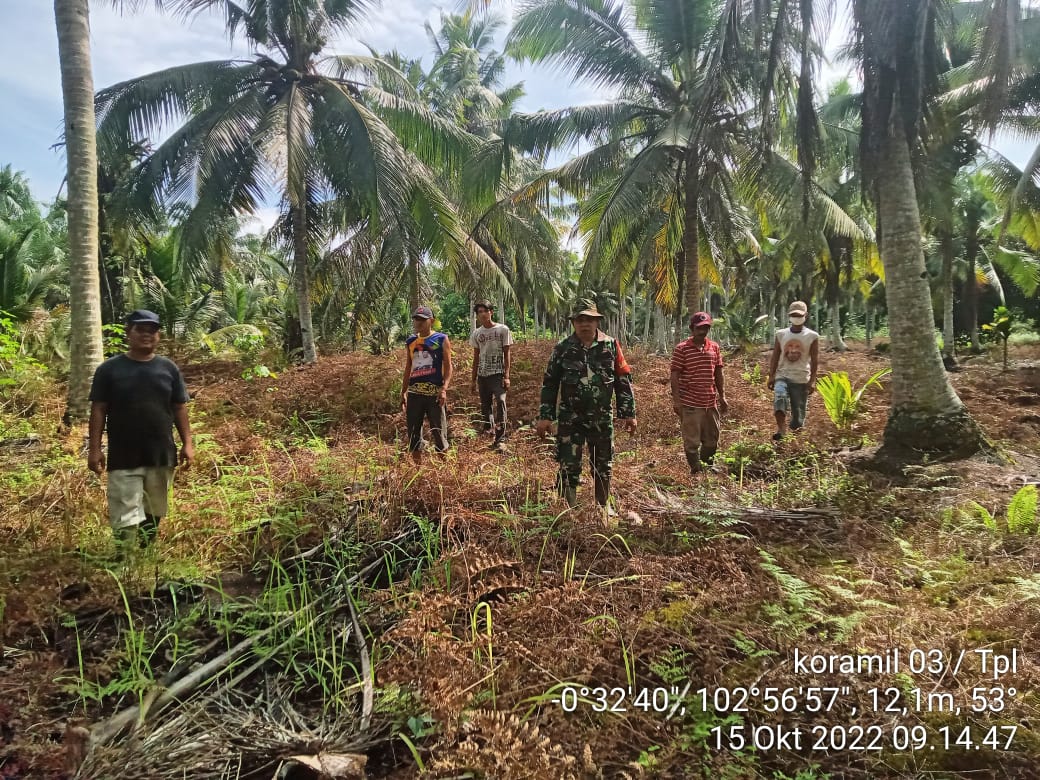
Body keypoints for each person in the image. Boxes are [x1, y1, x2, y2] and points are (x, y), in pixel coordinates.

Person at [87, 309, 193, 550]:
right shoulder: (109, 369)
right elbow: (99, 409)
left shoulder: (168, 369)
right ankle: (124, 558)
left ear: (158, 336)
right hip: (124, 454)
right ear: (129, 333)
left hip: (160, 452)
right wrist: (94, 449)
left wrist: (187, 443)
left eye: (152, 330)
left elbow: (179, 407)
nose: (147, 335)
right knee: (124, 509)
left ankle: (145, 553)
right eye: (140, 330)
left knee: (155, 507)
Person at [535, 300, 637, 511]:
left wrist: (628, 413)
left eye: (589, 320)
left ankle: (603, 506)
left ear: (597, 321)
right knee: (568, 463)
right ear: (574, 323)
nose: (585, 325)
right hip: (570, 418)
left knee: (603, 464)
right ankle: (568, 508)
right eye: (580, 320)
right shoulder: (563, 349)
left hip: (601, 418)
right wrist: (545, 416)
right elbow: (550, 383)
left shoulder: (610, 345)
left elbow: (622, 380)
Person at [670, 311, 728, 476]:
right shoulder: (682, 349)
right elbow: (674, 375)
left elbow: (718, 373)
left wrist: (722, 396)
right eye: (699, 328)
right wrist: (677, 400)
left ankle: (707, 466)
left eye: (706, 328)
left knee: (712, 439)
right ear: (691, 328)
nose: (702, 331)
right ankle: (696, 471)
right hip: (690, 402)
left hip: (710, 401)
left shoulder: (714, 347)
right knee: (692, 441)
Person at [401, 306, 453, 464]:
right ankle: (418, 471)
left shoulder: (441, 339)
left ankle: (444, 469)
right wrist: (403, 392)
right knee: (414, 433)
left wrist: (444, 389)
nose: (419, 323)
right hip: (415, 393)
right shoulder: (411, 342)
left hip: (434, 394)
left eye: (422, 320)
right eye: (416, 319)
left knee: (438, 431)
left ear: (431, 321)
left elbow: (449, 366)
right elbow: (408, 367)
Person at [767, 300, 820, 440]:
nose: (796, 318)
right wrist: (771, 375)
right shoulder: (781, 334)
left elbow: (814, 360)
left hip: (801, 378)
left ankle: (796, 441)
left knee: (798, 418)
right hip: (782, 375)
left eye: (799, 315)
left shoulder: (812, 336)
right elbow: (775, 356)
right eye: (794, 315)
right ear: (789, 316)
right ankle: (781, 429)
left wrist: (812, 381)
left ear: (805, 316)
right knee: (780, 397)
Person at [469, 300, 513, 448]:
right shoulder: (477, 333)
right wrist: (473, 379)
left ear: (491, 312)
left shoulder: (503, 330)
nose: (482, 314)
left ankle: (501, 438)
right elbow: (476, 357)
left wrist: (507, 376)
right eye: (479, 312)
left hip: (498, 373)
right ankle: (490, 433)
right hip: (483, 374)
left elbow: (507, 354)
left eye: (484, 311)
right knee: (485, 406)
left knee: (501, 401)